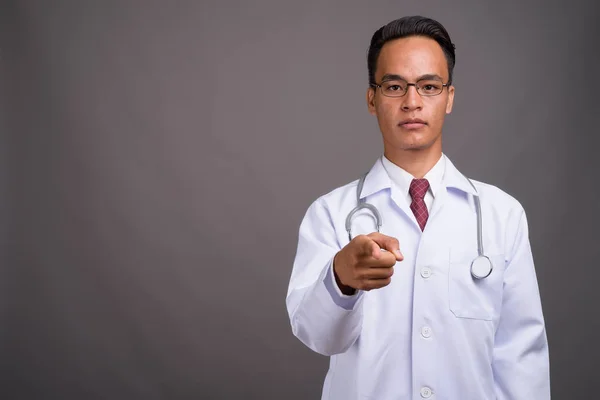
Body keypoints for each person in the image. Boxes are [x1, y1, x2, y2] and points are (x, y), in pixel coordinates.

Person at [285, 16, 550, 400]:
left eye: (428, 86)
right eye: (394, 86)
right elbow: (317, 336)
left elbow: (521, 359)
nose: (412, 102)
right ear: (372, 99)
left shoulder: (501, 214)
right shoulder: (330, 213)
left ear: (449, 97)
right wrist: (342, 277)